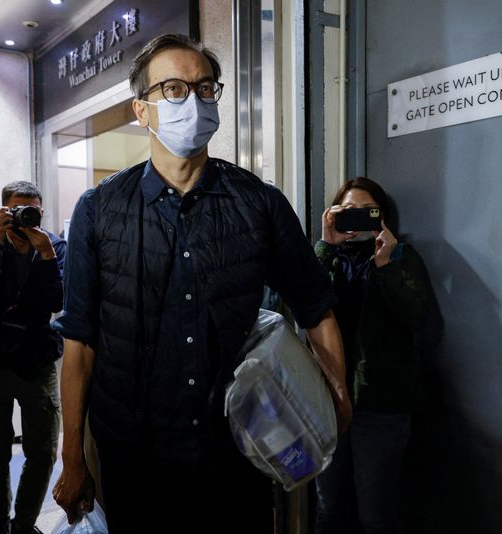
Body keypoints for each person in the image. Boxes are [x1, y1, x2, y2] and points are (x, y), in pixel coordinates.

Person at [51, 33, 352, 534]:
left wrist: (336, 399)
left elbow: (315, 307)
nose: (192, 100)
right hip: (134, 455)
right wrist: (72, 456)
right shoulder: (98, 210)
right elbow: (79, 341)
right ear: (141, 110)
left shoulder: (258, 202)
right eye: (172, 89)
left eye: (205, 87)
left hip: (238, 446)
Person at [313, 177, 430, 534]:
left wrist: (386, 265)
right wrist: (325, 245)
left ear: (382, 217)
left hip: (380, 403)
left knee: (375, 515)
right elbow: (299, 305)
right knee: (329, 507)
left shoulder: (400, 257)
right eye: (347, 211)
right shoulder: (326, 259)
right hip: (328, 399)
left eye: (368, 212)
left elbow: (415, 316)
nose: (357, 219)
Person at [0, 181, 65, 534]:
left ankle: (24, 523)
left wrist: (48, 256)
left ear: (40, 212)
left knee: (43, 450)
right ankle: (0, 520)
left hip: (37, 362)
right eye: (17, 210)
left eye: (32, 211)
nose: (25, 219)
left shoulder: (54, 246)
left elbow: (57, 301)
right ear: (2, 211)